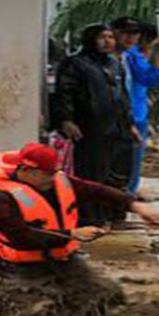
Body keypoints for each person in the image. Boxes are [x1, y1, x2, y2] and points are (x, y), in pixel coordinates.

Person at [0, 143, 159, 284]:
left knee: (103, 294)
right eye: (47, 174)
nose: (53, 178)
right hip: (20, 265)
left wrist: (134, 205)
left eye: (54, 172)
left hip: (63, 257)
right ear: (26, 170)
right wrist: (72, 234)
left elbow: (95, 191)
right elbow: (21, 237)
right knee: (37, 312)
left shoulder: (57, 180)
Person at [52, 23, 136, 223]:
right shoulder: (75, 63)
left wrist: (130, 124)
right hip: (90, 127)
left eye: (110, 37)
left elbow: (123, 97)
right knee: (92, 174)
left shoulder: (115, 64)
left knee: (119, 173)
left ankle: (115, 215)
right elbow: (64, 93)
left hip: (118, 127)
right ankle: (91, 218)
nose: (108, 41)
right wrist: (66, 120)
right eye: (102, 37)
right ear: (91, 40)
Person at [110, 17, 159, 194]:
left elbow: (152, 78)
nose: (130, 37)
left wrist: (158, 54)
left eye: (134, 34)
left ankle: (128, 195)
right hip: (112, 117)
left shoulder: (131, 56)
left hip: (136, 116)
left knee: (132, 162)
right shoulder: (110, 57)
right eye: (125, 33)